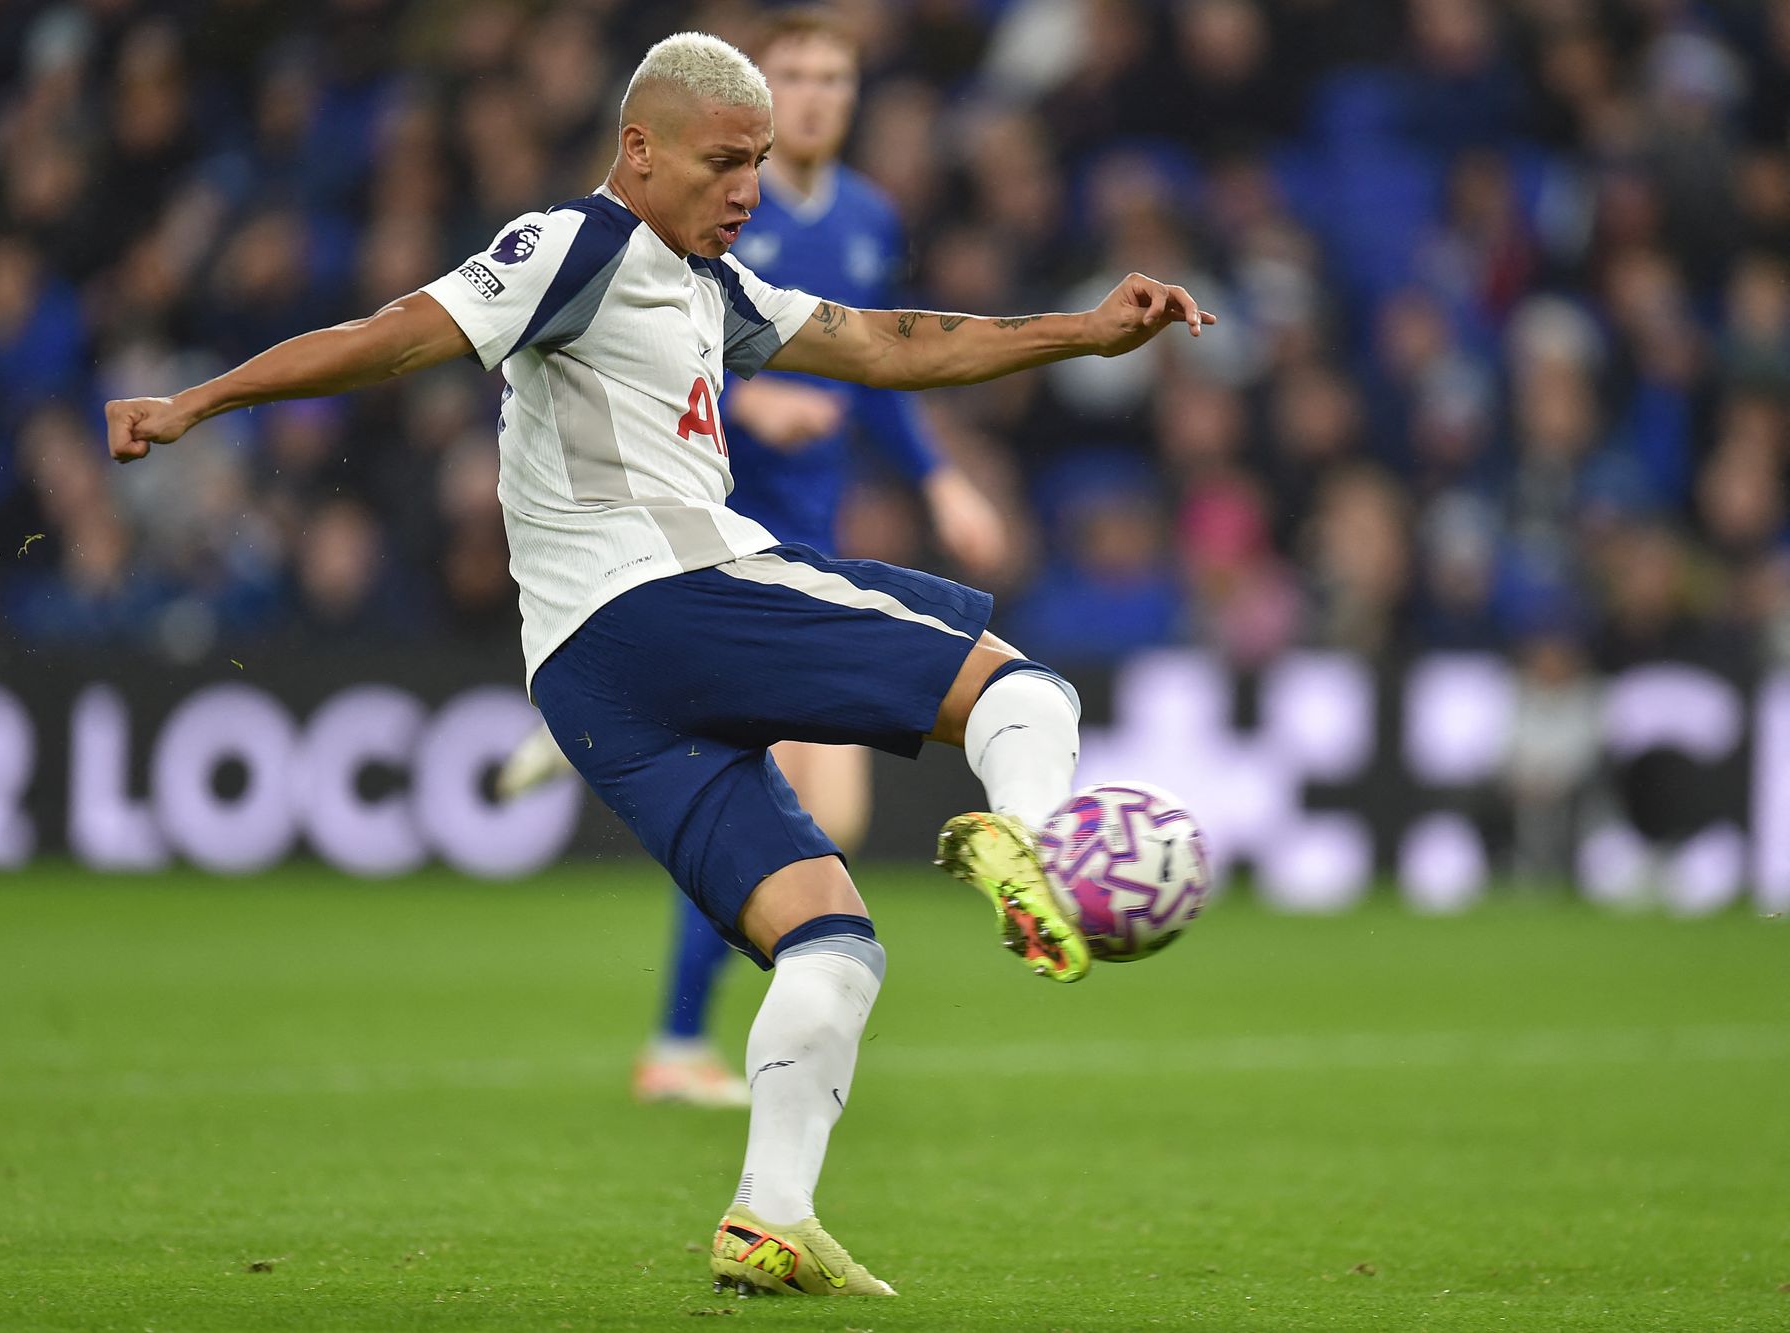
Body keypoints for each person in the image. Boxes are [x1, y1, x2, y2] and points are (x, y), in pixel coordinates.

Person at [105, 32, 1210, 1297]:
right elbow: (398, 332)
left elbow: (890, 345)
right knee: (1019, 690)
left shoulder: (710, 288)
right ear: (638, 151)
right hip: (670, 593)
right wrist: (199, 401)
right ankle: (1034, 845)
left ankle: (767, 1217)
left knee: (831, 944)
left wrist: (1084, 331)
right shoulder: (577, 244)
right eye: (721, 162)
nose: (746, 188)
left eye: (755, 163)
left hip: (587, 681)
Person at [495, 7, 1010, 1112]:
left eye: (835, 78)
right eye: (798, 78)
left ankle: (682, 1029)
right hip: (694, 558)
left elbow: (873, 357)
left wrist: (939, 479)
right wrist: (752, 399)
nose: (818, 97)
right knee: (795, 821)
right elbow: (648, 349)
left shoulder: (866, 215)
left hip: (797, 548)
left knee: (822, 824)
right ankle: (677, 1039)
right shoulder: (706, 214)